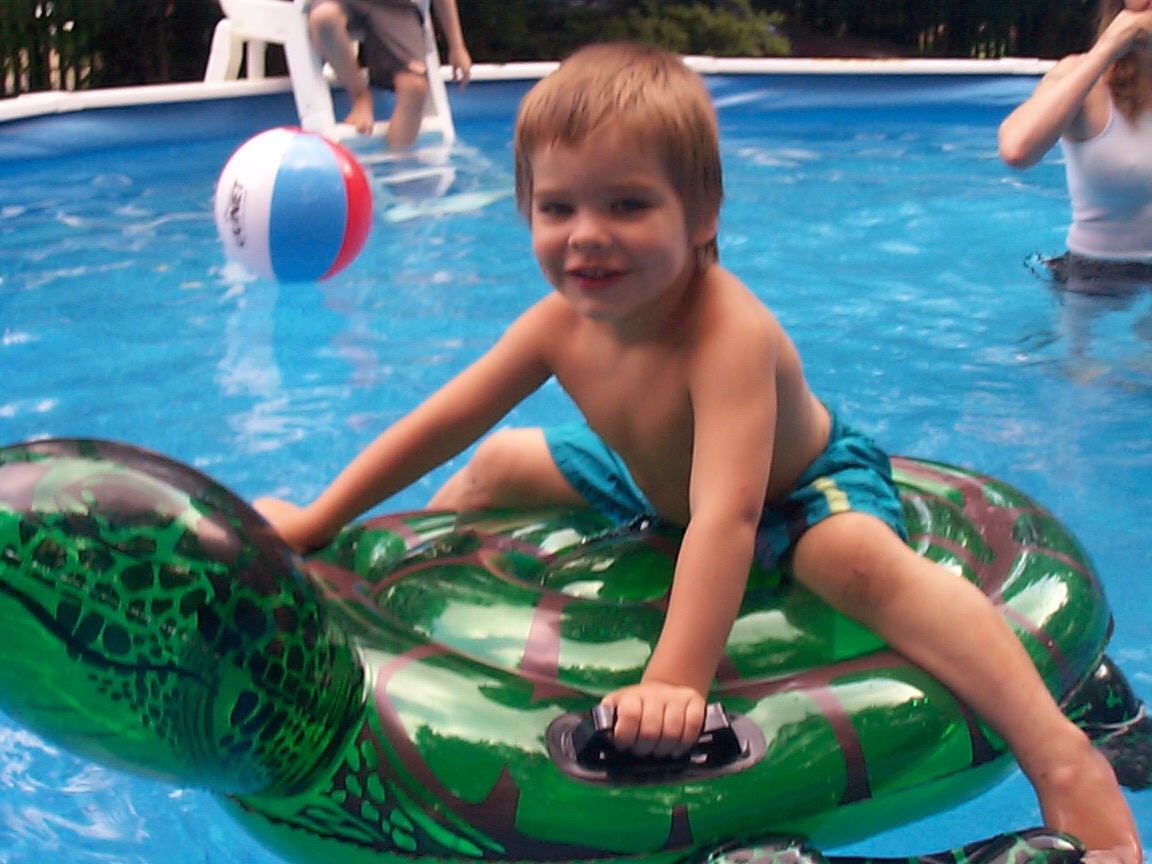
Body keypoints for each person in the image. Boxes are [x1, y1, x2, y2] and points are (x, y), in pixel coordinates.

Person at [256, 43, 1141, 861]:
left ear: (702, 212)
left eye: (627, 205)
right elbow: (440, 424)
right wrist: (320, 521)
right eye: (558, 207)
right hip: (647, 479)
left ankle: (1060, 755)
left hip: (795, 487)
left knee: (856, 562)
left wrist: (676, 680)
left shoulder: (725, 334)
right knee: (496, 464)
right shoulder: (559, 324)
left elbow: (728, 516)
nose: (586, 233)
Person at [1000, 0, 1152, 375]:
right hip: (1093, 277)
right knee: (1085, 381)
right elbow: (1017, 149)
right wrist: (1105, 51)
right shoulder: (1081, 77)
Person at [307, 0, 471, 146]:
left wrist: (457, 46)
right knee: (324, 18)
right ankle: (360, 96)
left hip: (398, 7)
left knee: (415, 87)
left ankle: (398, 162)